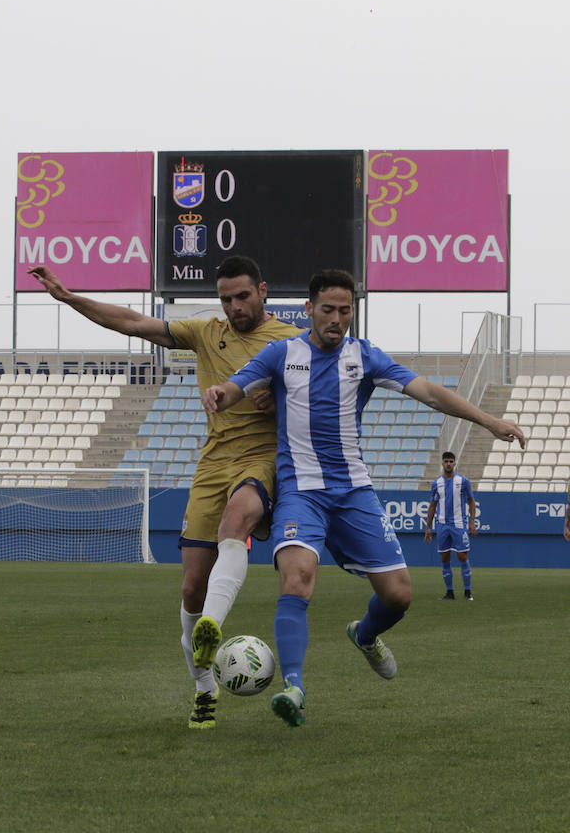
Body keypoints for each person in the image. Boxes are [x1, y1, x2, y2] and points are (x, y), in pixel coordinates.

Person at [202, 269, 525, 727]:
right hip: (300, 494)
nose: (337, 319)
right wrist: (222, 393)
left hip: (354, 493)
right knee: (297, 578)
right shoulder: (282, 353)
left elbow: (429, 392)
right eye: (328, 309)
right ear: (309, 309)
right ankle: (294, 687)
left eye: (345, 311)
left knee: (399, 596)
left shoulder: (365, 357)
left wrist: (489, 421)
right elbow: (239, 384)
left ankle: (366, 634)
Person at [27, 256, 300, 730]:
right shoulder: (204, 332)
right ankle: (204, 688)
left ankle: (213, 627)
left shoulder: (291, 344)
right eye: (226, 299)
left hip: (262, 459)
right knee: (192, 587)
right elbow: (134, 322)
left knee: (238, 517)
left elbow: (318, 408)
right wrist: (69, 298)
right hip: (212, 462)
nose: (235, 307)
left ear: (263, 290)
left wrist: (278, 402)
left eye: (242, 296)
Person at [424, 452, 476, 600]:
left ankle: (467, 592)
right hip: (442, 526)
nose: (448, 464)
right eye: (446, 461)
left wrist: (472, 522)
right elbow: (432, 506)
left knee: (462, 556)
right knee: (445, 558)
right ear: (442, 463)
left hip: (459, 524)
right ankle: (450, 592)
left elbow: (471, 501)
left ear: (455, 463)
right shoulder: (437, 483)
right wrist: (428, 527)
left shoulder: (463, 481)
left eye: (451, 461)